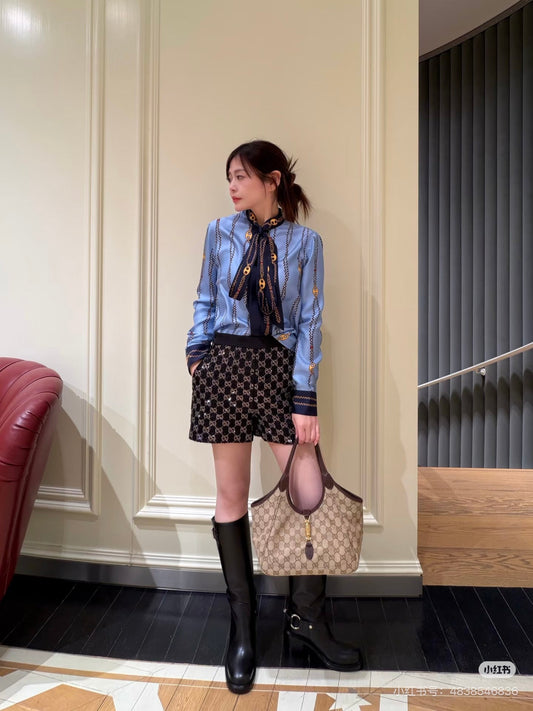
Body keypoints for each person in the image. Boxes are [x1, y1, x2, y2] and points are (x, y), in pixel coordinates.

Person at [186, 140, 362, 694]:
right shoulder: (218, 232)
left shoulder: (307, 243)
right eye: (229, 177)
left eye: (241, 176)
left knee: (307, 491)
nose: (232, 186)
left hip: (279, 372)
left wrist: (304, 399)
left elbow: (310, 320)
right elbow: (204, 299)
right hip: (225, 367)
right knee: (231, 496)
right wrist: (197, 358)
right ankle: (242, 629)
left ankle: (307, 620)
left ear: (273, 180)